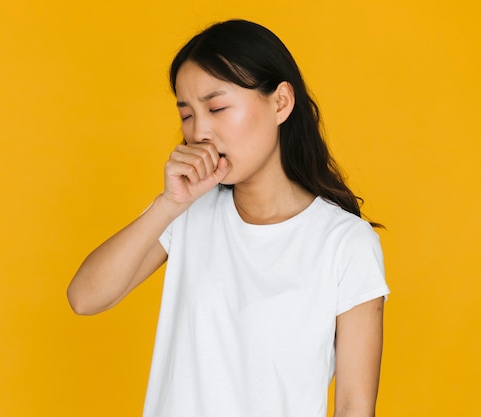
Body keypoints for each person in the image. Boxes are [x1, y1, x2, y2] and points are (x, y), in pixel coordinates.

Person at [68, 19, 389, 417]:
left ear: (281, 103)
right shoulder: (187, 212)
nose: (199, 131)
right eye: (186, 115)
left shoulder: (345, 242)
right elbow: (84, 299)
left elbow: (354, 406)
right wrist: (169, 204)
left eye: (217, 107)